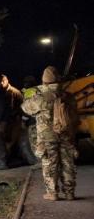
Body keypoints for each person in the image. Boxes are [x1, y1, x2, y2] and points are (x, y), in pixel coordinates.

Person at [21, 66, 79, 200]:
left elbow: (25, 108)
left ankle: (52, 193)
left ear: (44, 81)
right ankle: (69, 192)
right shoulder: (68, 96)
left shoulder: (41, 97)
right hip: (66, 134)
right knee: (68, 162)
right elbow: (75, 116)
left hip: (47, 136)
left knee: (49, 162)